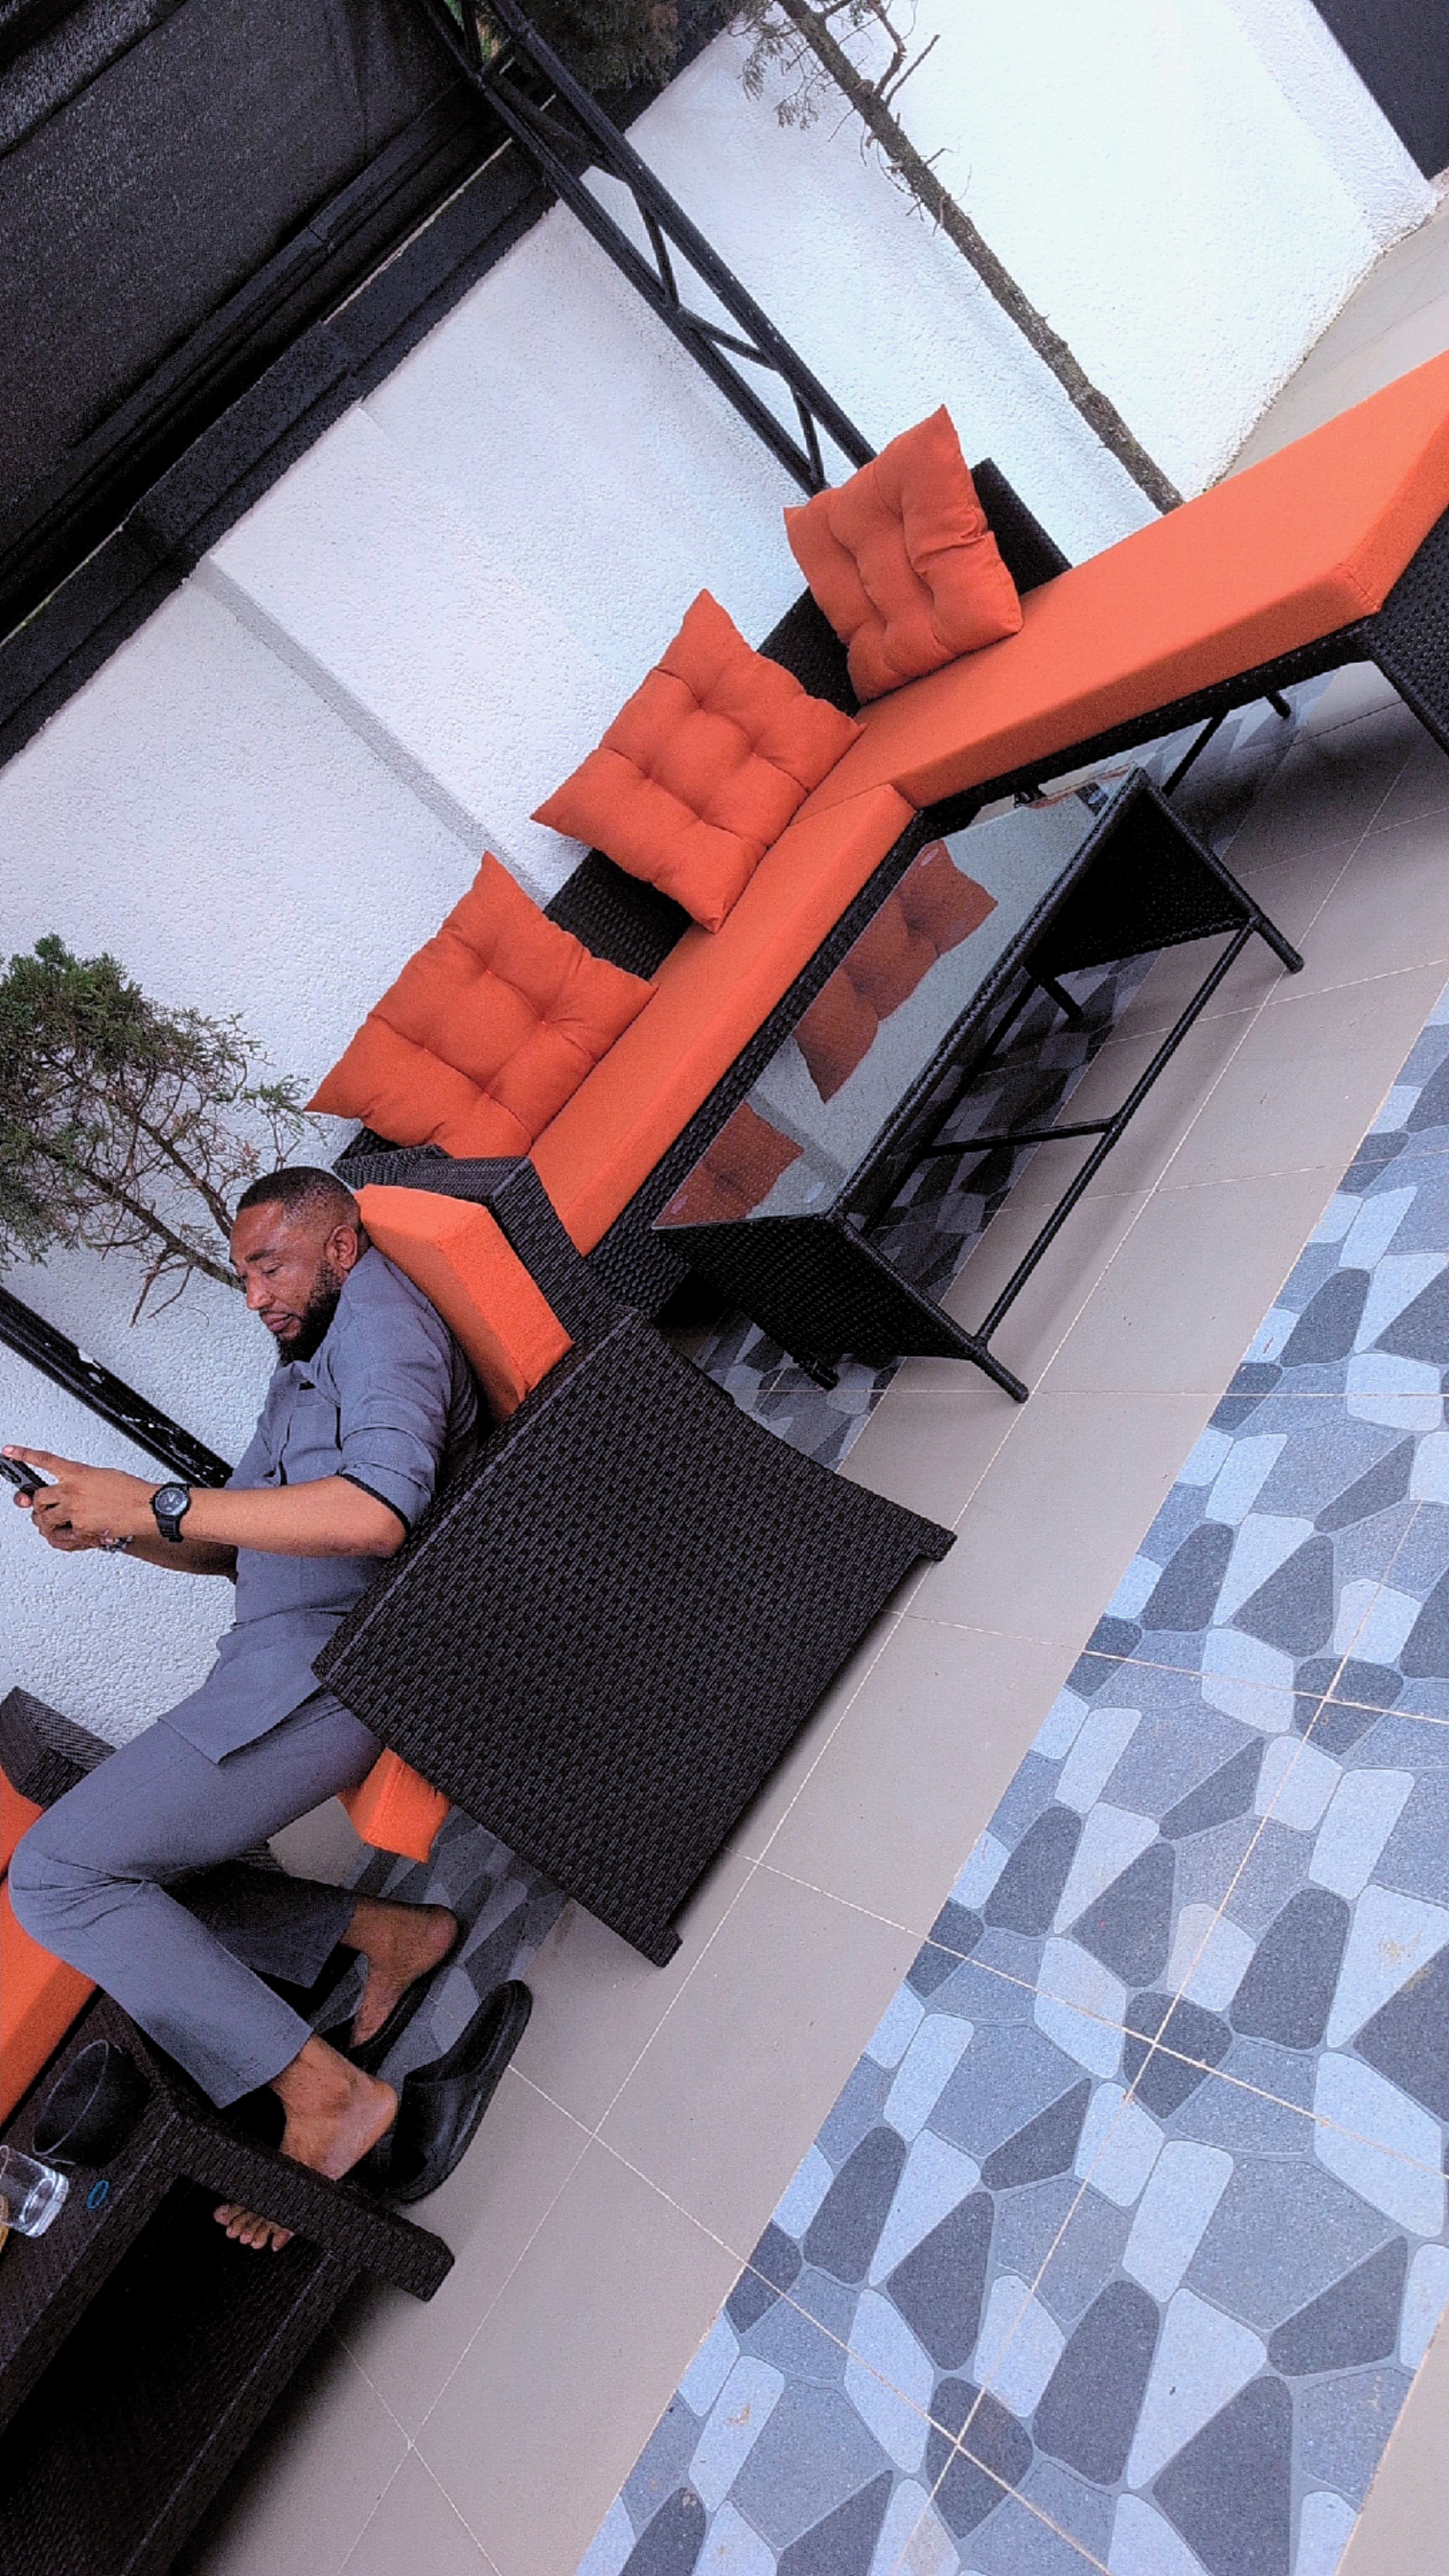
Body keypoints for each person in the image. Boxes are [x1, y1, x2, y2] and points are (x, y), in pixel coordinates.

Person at [6, 1166, 477, 2251]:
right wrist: (119, 1520)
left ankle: (328, 2096)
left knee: (58, 1877)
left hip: (333, 1673)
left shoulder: (381, 1332)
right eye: (245, 1277)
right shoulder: (307, 1361)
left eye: (271, 1267)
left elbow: (378, 1515)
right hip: (266, 1668)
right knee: (103, 1859)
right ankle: (390, 1935)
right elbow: (233, 1543)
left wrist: (160, 1499)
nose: (257, 1296)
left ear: (341, 1248)